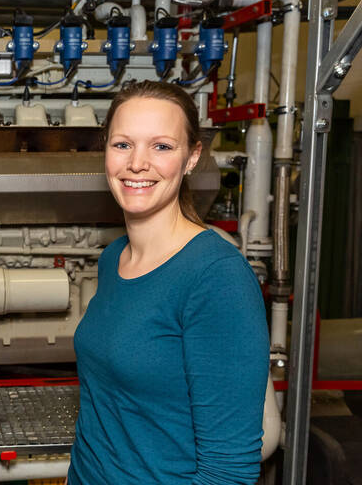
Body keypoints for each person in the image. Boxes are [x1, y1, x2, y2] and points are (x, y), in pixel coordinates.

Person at [68, 80, 269, 484]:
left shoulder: (217, 278)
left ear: (192, 157)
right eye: (123, 144)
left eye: (161, 146)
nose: (137, 163)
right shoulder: (114, 259)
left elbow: (227, 471)